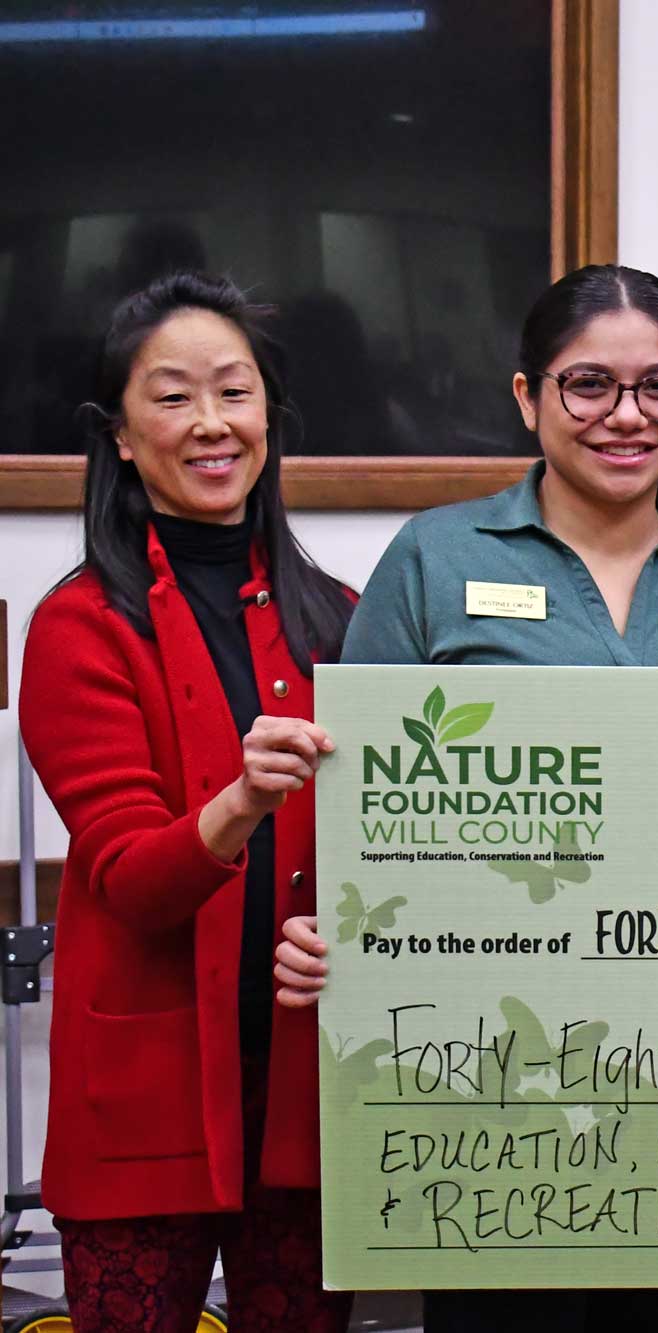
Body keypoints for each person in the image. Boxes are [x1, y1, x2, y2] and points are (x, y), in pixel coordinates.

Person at [273, 263, 658, 1332]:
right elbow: (351, 788)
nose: (626, 416)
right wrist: (319, 924)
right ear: (527, 397)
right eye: (588, 385)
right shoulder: (435, 557)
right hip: (473, 1054)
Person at [18, 272, 355, 1332]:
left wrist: (349, 934)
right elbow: (129, 878)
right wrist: (241, 801)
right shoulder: (78, 626)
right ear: (118, 433)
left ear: (270, 416)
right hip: (145, 1102)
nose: (211, 424)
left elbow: (389, 856)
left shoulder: (338, 616)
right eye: (171, 397)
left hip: (309, 1100)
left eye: (235, 392)